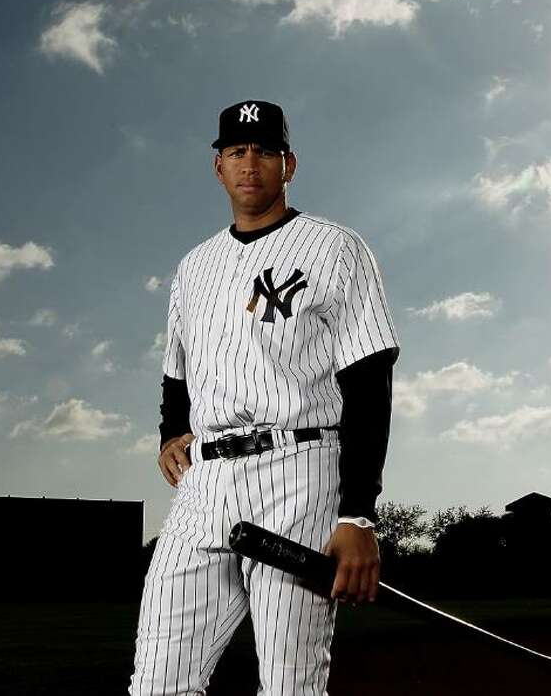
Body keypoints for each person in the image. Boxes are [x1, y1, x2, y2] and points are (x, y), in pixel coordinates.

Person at [129, 99, 400, 695]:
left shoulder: (333, 247)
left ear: (288, 163)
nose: (250, 163)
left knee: (288, 684)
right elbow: (177, 370)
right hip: (205, 483)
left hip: (298, 471)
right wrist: (169, 432)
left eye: (264, 151)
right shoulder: (195, 266)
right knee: (155, 683)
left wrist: (358, 513)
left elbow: (370, 378)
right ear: (218, 166)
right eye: (237, 151)